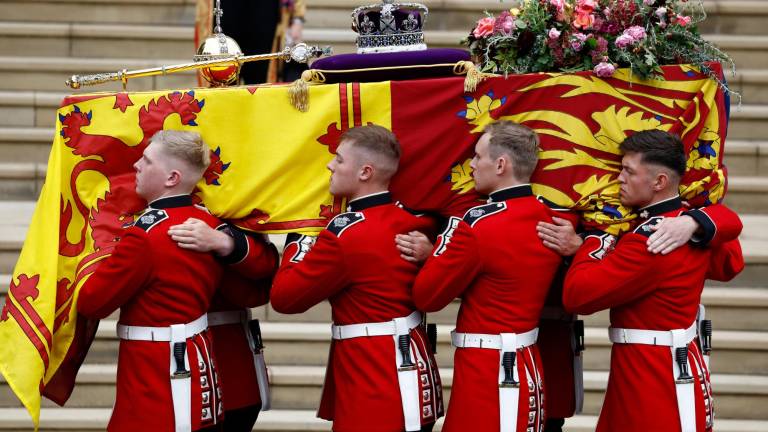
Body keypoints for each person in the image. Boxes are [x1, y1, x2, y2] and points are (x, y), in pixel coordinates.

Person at [398, 121, 578, 432]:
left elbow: (427, 296)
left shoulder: (478, 226)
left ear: (500, 164)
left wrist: (437, 252)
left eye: (477, 156)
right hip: (528, 364)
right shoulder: (552, 218)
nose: (470, 165)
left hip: (487, 371)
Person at [561, 130, 744, 432]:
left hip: (649, 381)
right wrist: (698, 220)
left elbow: (577, 295)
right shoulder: (685, 225)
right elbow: (731, 261)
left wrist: (594, 240)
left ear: (659, 182)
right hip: (677, 369)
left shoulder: (650, 240)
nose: (618, 178)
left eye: (628, 171)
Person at [270, 125, 444, 432]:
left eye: (338, 159)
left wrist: (300, 237)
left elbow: (285, 298)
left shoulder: (346, 235)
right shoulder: (416, 221)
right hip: (414, 372)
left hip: (374, 381)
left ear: (365, 172)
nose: (330, 165)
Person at [77, 130, 225, 431]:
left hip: (155, 377)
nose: (136, 166)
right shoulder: (209, 222)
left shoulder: (145, 236)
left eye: (146, 160)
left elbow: (92, 301)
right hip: (199, 365)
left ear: (171, 178)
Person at [168, 218, 279, 431]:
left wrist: (226, 243)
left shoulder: (231, 207)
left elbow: (260, 284)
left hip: (230, 363)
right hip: (169, 359)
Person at [195, 0, 306, 84]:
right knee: (222, 76)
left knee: (259, 79)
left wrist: (297, 18)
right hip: (227, 8)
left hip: (264, 9)